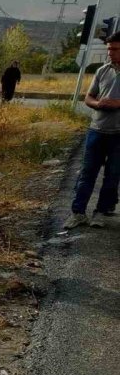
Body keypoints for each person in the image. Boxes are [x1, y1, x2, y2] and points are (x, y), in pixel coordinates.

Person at [65, 33, 120, 229]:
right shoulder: (102, 71)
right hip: (97, 129)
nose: (110, 53)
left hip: (118, 134)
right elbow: (88, 98)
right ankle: (78, 213)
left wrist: (117, 103)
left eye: (114, 49)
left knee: (112, 175)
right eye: (109, 49)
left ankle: (101, 212)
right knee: (87, 172)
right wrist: (98, 103)